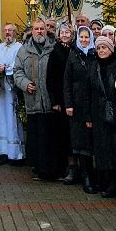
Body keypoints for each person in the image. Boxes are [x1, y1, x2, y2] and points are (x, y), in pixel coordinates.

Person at [13, 17, 61, 181]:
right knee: (36, 137)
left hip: (50, 101)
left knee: (51, 137)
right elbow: (17, 71)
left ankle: (54, 169)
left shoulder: (54, 48)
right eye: (36, 29)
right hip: (33, 100)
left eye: (42, 29)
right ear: (32, 31)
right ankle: (39, 169)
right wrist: (25, 84)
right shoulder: (24, 50)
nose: (39, 31)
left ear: (46, 31)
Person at [91, 36, 116, 200]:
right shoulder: (94, 66)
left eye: (105, 48)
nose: (102, 51)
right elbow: (90, 91)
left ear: (111, 49)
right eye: (99, 48)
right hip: (100, 115)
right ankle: (112, 184)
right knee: (105, 152)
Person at [63, 24, 96, 193]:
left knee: (92, 143)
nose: (84, 40)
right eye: (81, 37)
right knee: (81, 143)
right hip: (77, 105)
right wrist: (68, 104)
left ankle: (95, 176)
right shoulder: (73, 55)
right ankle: (86, 178)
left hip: (93, 104)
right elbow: (67, 81)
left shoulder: (95, 54)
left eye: (86, 37)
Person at [0, 23, 25, 163]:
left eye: (10, 31)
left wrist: (6, 68)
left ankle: (14, 153)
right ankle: (0, 150)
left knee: (11, 118)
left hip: (10, 89)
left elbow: (19, 65)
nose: (7, 33)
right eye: (6, 30)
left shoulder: (19, 47)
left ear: (15, 33)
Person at [47, 21, 76, 182]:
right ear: (59, 35)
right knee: (64, 135)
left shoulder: (76, 50)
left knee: (76, 135)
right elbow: (50, 79)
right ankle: (69, 167)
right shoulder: (55, 52)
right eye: (62, 33)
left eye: (68, 32)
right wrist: (54, 100)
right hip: (61, 100)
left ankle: (80, 168)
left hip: (75, 99)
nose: (65, 35)